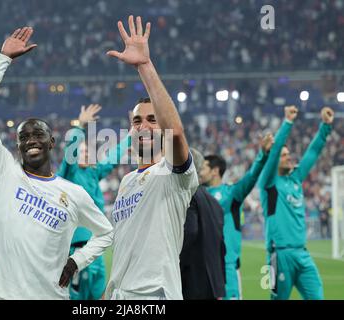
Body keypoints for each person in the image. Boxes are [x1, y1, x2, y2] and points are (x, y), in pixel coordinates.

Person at [0, 26, 114, 300]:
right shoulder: (3, 173)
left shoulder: (73, 194)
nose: (31, 139)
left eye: (38, 134)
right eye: (24, 136)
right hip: (3, 295)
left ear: (51, 142)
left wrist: (76, 262)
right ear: (18, 145)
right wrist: (2, 60)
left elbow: (106, 233)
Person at [104, 16, 198, 300]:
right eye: (136, 121)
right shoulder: (126, 182)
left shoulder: (173, 174)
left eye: (152, 120)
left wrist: (144, 66)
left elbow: (177, 134)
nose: (142, 125)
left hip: (154, 295)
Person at [258, 106, 334, 300]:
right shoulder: (269, 183)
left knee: (317, 296)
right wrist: (287, 123)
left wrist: (325, 126)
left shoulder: (296, 178)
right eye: (283, 155)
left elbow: (313, 152)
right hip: (279, 256)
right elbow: (273, 153)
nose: (288, 156)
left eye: (288, 154)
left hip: (302, 254)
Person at [57, 104, 130, 300]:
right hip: (76, 250)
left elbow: (113, 157)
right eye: (82, 151)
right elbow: (69, 155)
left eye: (88, 151)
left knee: (99, 297)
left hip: (97, 249)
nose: (87, 153)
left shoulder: (93, 172)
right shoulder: (67, 176)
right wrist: (80, 126)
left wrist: (131, 134)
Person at [199, 133, 274, 299]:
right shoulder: (196, 194)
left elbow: (251, 177)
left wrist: (263, 155)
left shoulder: (231, 193)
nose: (199, 171)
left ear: (215, 171)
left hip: (227, 267)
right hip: (201, 268)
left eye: (203, 167)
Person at [179, 148, 226, 300]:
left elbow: (190, 233)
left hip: (193, 281)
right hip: (214, 283)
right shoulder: (215, 203)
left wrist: (175, 264)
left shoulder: (189, 194)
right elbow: (221, 247)